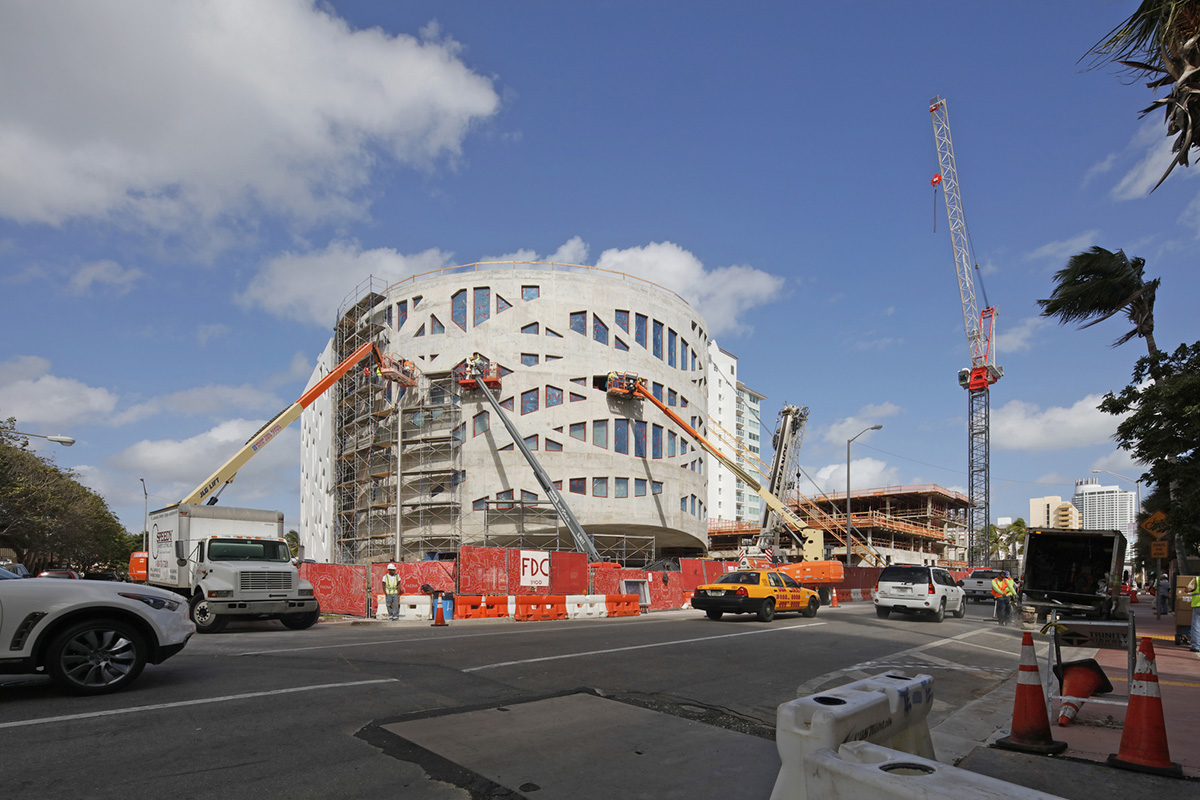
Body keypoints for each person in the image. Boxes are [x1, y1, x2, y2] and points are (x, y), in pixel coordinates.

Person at [1188, 575, 1200, 652]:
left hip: (1198, 604)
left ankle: (1196, 646)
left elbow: (1188, 588)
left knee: (1196, 625)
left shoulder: (1197, 579)